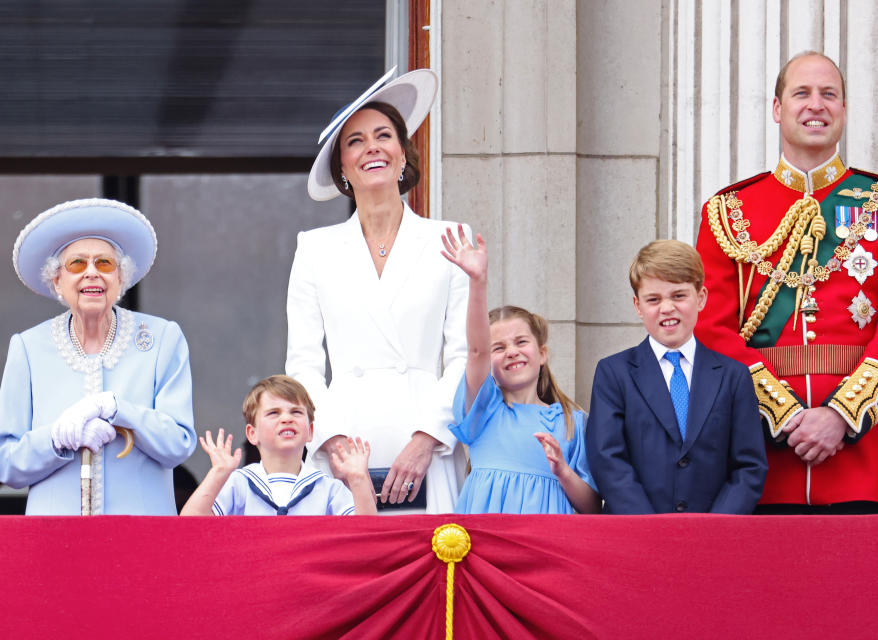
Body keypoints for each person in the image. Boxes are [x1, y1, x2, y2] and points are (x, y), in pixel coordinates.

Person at [694, 52, 878, 514]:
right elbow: (711, 328)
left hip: (856, 461)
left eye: (829, 94)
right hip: (758, 460)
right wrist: (783, 416)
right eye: (802, 93)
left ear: (843, 109)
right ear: (778, 108)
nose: (815, 105)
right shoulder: (727, 211)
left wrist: (840, 417)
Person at [287, 68, 469, 513]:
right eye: (355, 141)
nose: (371, 147)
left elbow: (464, 355)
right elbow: (304, 361)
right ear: (343, 170)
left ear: (402, 154)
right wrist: (332, 441)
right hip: (346, 446)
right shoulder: (315, 248)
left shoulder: (452, 238)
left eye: (383, 135)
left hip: (428, 444)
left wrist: (429, 437)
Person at [0, 198, 196, 515]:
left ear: (121, 279)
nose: (91, 274)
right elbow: (4, 464)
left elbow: (177, 444)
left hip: (141, 533)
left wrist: (117, 409)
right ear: (57, 281)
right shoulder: (28, 347)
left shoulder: (161, 339)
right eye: (76, 264)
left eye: (104, 264)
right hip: (54, 537)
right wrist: (57, 439)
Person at [585, 240, 767, 514]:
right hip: (637, 533)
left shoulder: (733, 376)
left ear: (701, 297)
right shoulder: (614, 373)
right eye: (654, 299)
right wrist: (650, 529)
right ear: (638, 305)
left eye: (678, 296)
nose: (667, 308)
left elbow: (749, 465)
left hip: (712, 536)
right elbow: (607, 459)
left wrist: (714, 527)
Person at [440, 228, 600, 514]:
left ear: (542, 354)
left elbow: (592, 507)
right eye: (498, 348)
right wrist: (478, 281)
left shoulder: (572, 422)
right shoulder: (485, 411)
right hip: (488, 544)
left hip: (547, 544)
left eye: (521, 342)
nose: (511, 351)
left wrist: (563, 472)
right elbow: (476, 350)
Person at [180, 375, 376, 516]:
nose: (286, 418)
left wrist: (358, 480)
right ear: (252, 433)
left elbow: (365, 537)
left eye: (296, 412)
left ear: (310, 432)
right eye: (273, 413)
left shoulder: (328, 488)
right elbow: (189, 523)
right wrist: (219, 472)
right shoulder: (239, 483)